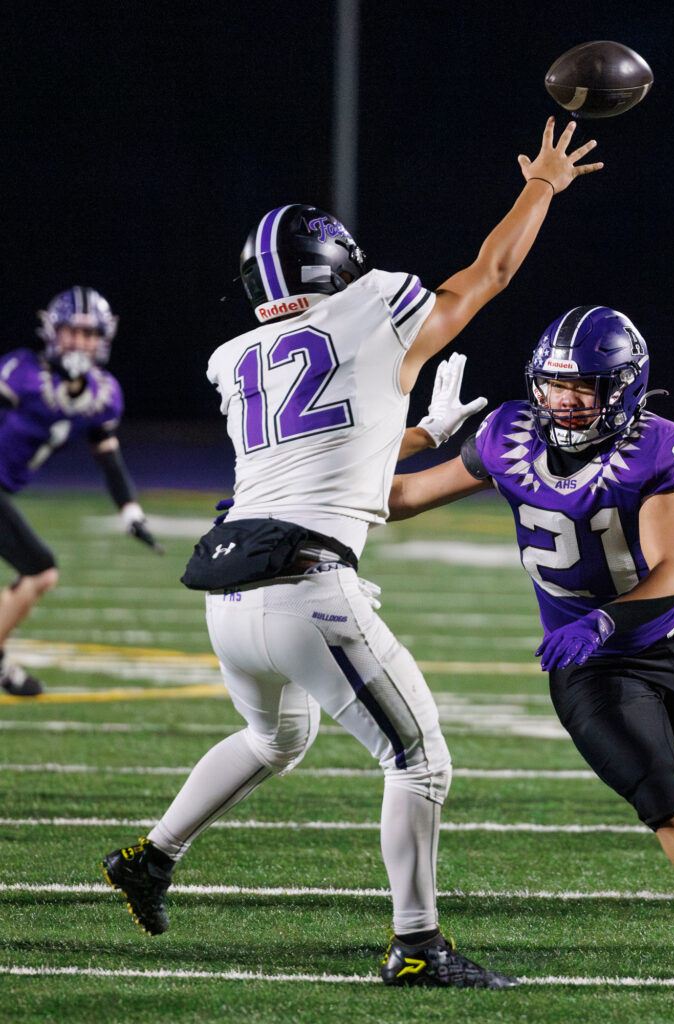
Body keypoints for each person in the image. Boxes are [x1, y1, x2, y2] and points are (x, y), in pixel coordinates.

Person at [101, 118, 603, 989]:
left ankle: (151, 854)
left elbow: (325, 451)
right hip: (307, 587)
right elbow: (487, 275)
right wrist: (544, 185)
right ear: (336, 267)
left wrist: (423, 434)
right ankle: (417, 946)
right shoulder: (371, 307)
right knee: (420, 760)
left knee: (275, 735)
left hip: (230, 590)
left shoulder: (236, 359)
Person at [387, 304, 674, 981]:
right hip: (588, 668)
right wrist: (314, 491)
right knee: (664, 804)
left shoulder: (655, 447)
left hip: (671, 637)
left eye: (583, 387)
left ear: (623, 386)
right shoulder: (504, 434)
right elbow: (398, 498)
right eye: (553, 384)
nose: (564, 401)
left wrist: (604, 618)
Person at [0, 287, 162, 697]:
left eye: (90, 334)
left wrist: (132, 514)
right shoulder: (20, 372)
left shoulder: (102, 395)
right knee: (41, 568)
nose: (80, 341)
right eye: (73, 331)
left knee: (40, 572)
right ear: (53, 331)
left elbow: (108, 456)